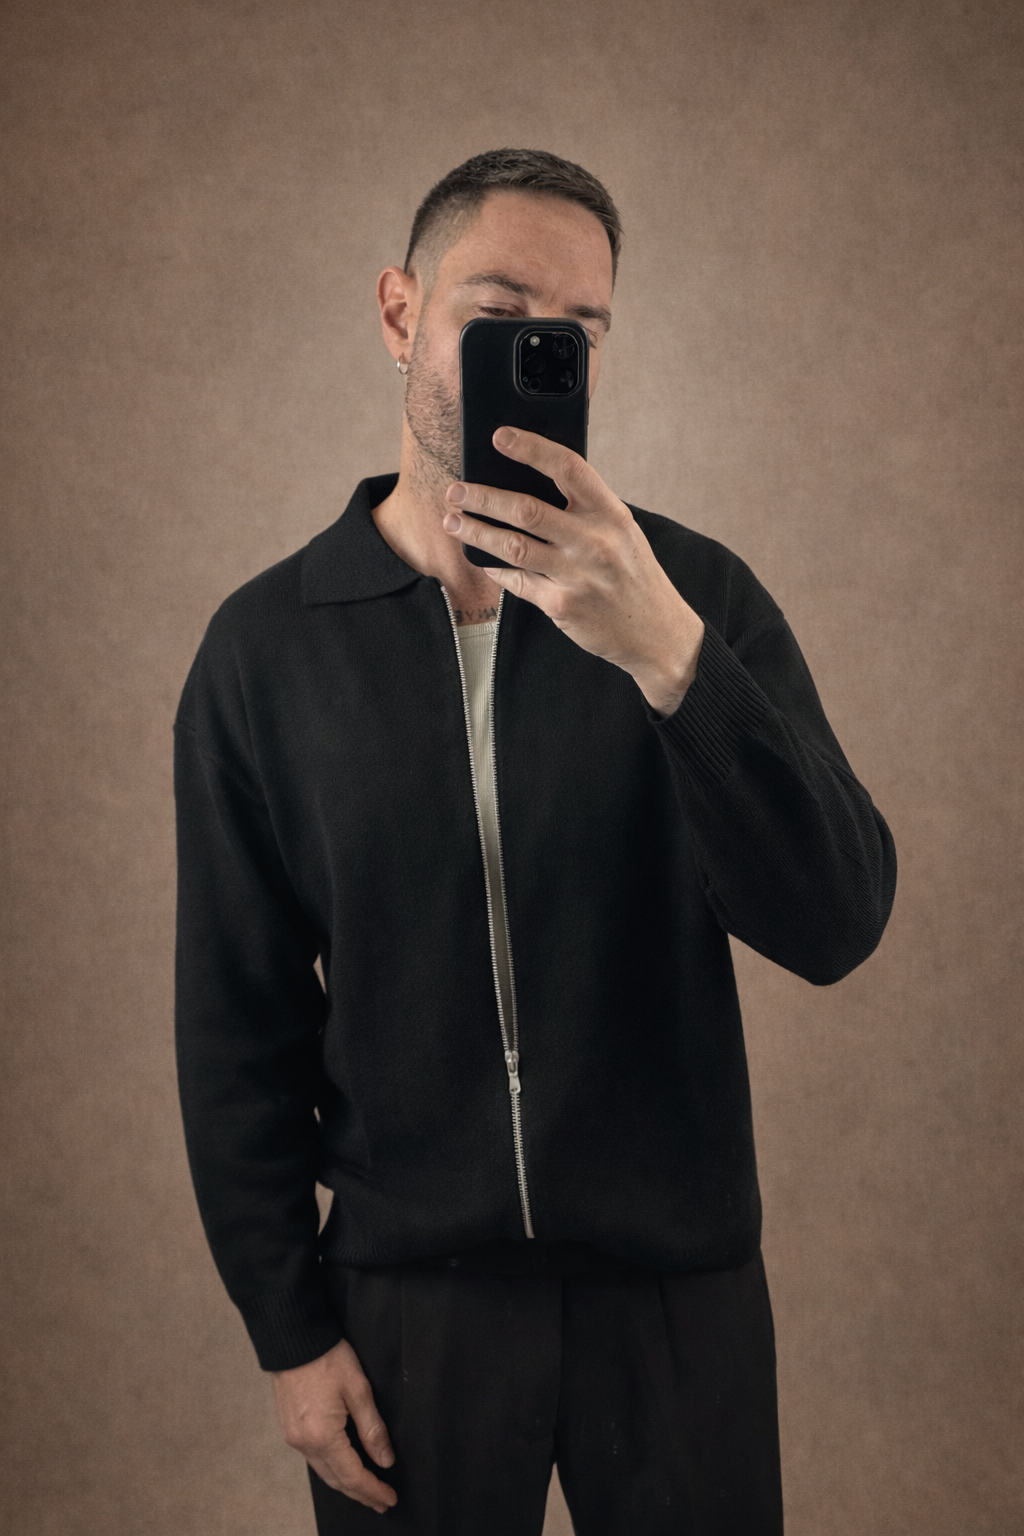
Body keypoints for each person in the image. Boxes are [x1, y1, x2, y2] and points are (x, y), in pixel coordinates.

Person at [174, 148, 896, 1535]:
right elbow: (233, 1023)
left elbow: (837, 921)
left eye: (575, 331)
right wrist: (287, 1328)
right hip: (407, 1304)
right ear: (401, 314)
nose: (538, 351)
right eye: (498, 313)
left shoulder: (693, 596)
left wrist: (671, 658)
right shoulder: (265, 651)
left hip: (677, 1295)